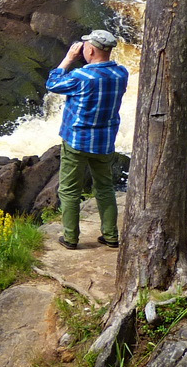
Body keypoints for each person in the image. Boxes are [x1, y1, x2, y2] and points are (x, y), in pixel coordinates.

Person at [46, 29, 130, 250]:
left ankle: (71, 238)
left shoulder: (81, 77)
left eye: (85, 46)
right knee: (104, 188)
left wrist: (68, 58)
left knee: (69, 190)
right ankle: (111, 236)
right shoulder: (121, 73)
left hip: (77, 140)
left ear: (90, 49)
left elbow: (53, 84)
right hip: (104, 141)